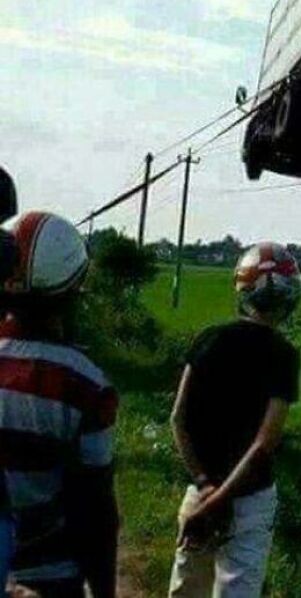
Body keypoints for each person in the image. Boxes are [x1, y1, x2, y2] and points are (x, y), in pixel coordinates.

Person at [168, 242, 301, 597]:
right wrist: (222, 500)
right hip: (250, 499)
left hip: (200, 491)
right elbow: (264, 443)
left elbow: (177, 420)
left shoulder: (209, 340)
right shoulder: (284, 355)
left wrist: (205, 487)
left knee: (186, 589)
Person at [0, 211, 119, 598]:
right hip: (51, 579)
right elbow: (95, 511)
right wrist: (103, 590)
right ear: (71, 291)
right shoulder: (86, 384)